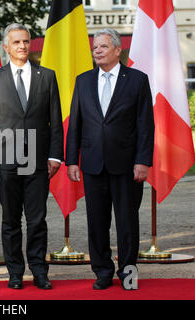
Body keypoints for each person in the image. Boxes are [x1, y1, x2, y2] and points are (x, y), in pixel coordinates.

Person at [66, 28, 154, 291]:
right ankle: (102, 271)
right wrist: (72, 160)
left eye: (104, 46)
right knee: (97, 222)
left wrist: (143, 161)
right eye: (95, 47)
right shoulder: (83, 81)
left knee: (127, 222)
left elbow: (145, 124)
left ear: (118, 50)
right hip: (92, 163)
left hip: (127, 164)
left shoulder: (137, 80)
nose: (97, 50)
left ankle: (128, 273)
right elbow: (76, 123)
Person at [0, 23, 64, 290]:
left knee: (37, 219)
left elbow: (55, 120)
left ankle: (40, 271)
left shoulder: (47, 76)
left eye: (26, 41)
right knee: (10, 220)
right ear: (6, 47)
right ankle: (15, 272)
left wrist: (55, 156)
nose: (22, 46)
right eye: (16, 42)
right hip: (6, 158)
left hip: (39, 160)